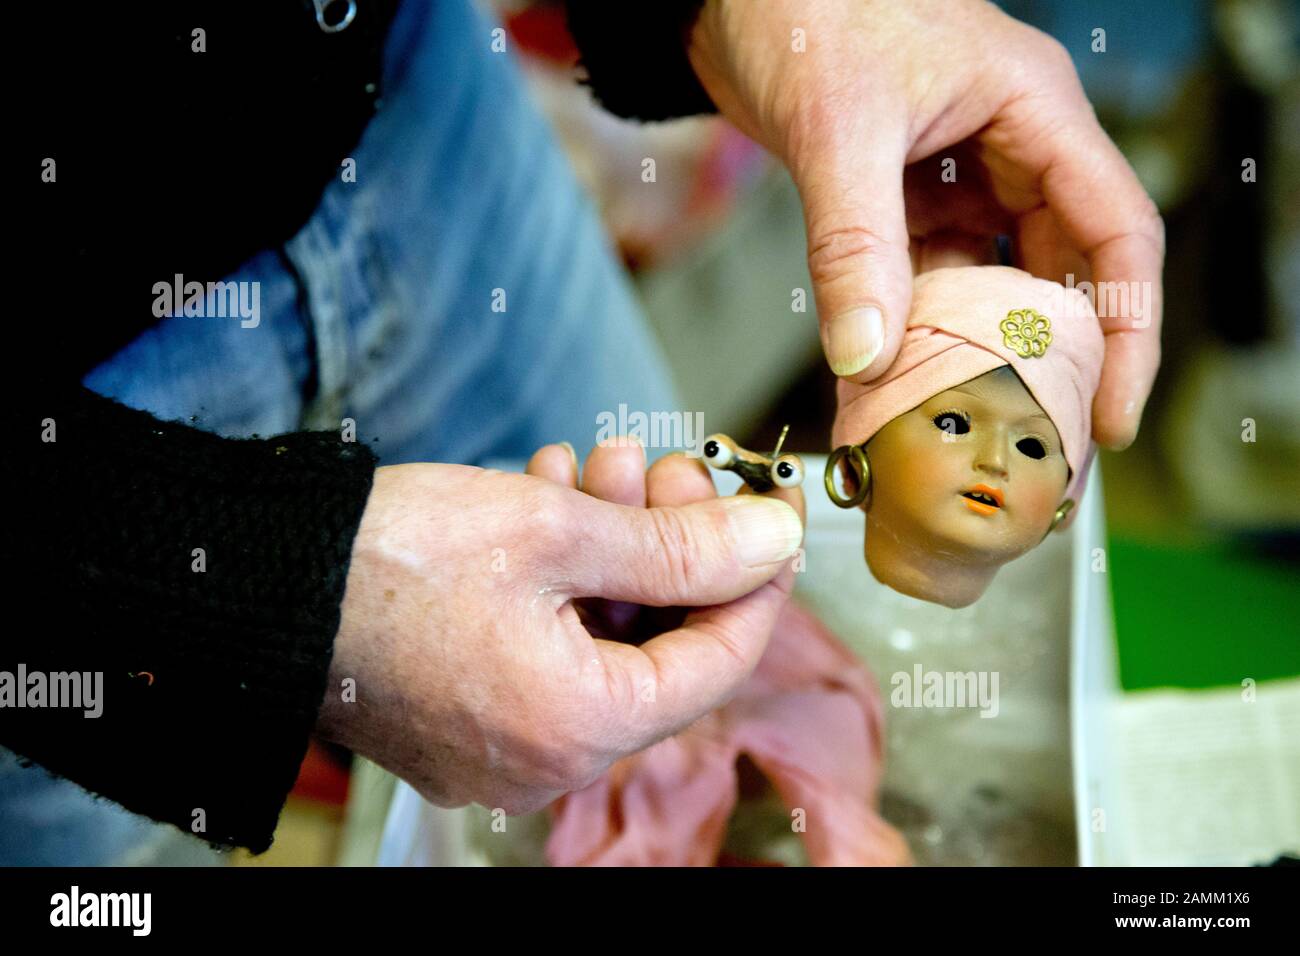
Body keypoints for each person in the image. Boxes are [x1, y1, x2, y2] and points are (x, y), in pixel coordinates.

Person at [2, 0, 1162, 863]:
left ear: (1064, 503)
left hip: (387, 84)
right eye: (954, 419)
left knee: (642, 616)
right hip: (72, 438)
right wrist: (274, 602)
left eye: (1025, 448)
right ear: (849, 459)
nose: (981, 468)